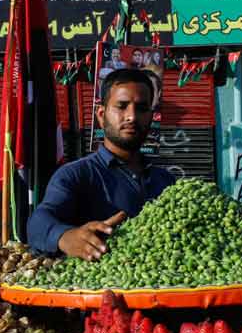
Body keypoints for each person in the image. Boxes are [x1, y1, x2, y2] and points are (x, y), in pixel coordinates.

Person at [27, 69, 176, 258]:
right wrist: (65, 237)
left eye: (141, 108)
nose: (132, 116)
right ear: (101, 114)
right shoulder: (76, 175)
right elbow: (38, 223)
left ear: (151, 116)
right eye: (122, 106)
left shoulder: (165, 181)